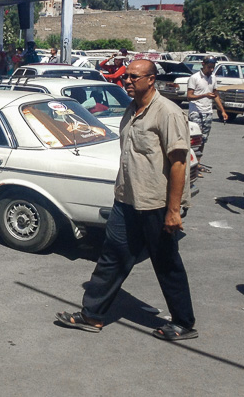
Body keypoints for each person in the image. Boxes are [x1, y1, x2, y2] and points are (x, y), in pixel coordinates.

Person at [55, 59, 197, 342]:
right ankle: (92, 315)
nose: (127, 81)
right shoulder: (131, 110)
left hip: (156, 204)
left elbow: (179, 164)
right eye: (126, 76)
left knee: (166, 263)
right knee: (111, 258)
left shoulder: (167, 113)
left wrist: (173, 210)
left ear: (151, 80)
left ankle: (183, 322)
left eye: (134, 77)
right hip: (127, 201)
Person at [186, 55, 227, 168]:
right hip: (196, 111)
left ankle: (198, 163)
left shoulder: (213, 78)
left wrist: (222, 111)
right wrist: (204, 95)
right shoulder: (194, 78)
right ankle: (190, 163)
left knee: (203, 139)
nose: (211, 69)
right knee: (195, 139)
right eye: (209, 67)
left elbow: (215, 95)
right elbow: (189, 96)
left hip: (208, 111)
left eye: (213, 67)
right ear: (203, 65)